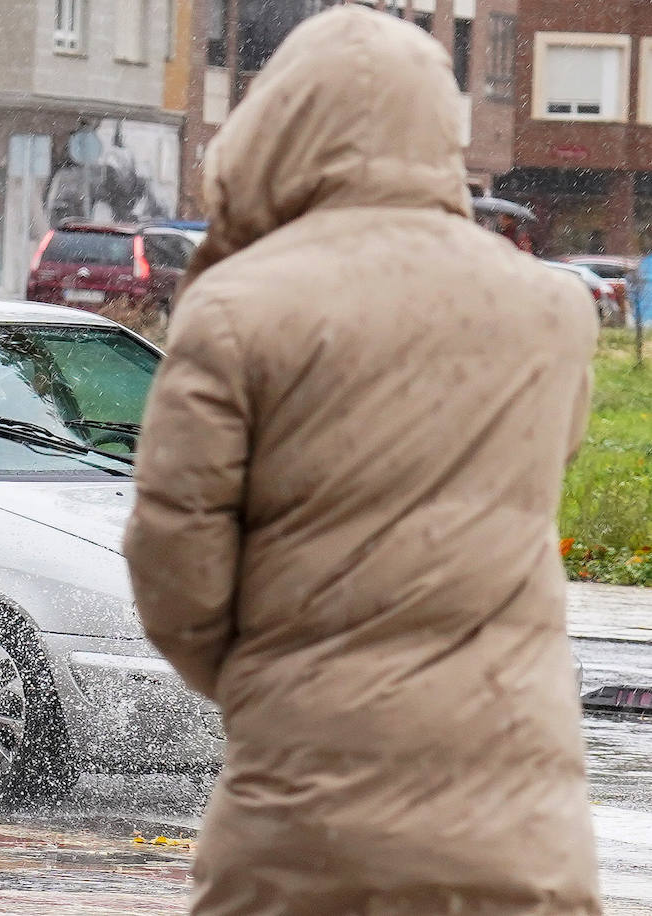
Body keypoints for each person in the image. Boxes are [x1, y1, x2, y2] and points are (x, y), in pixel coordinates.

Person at [125, 7, 599, 915]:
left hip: (303, 822)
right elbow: (536, 480)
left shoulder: (235, 310)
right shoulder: (552, 311)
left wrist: (274, 678)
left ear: (281, 124)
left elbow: (175, 567)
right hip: (521, 824)